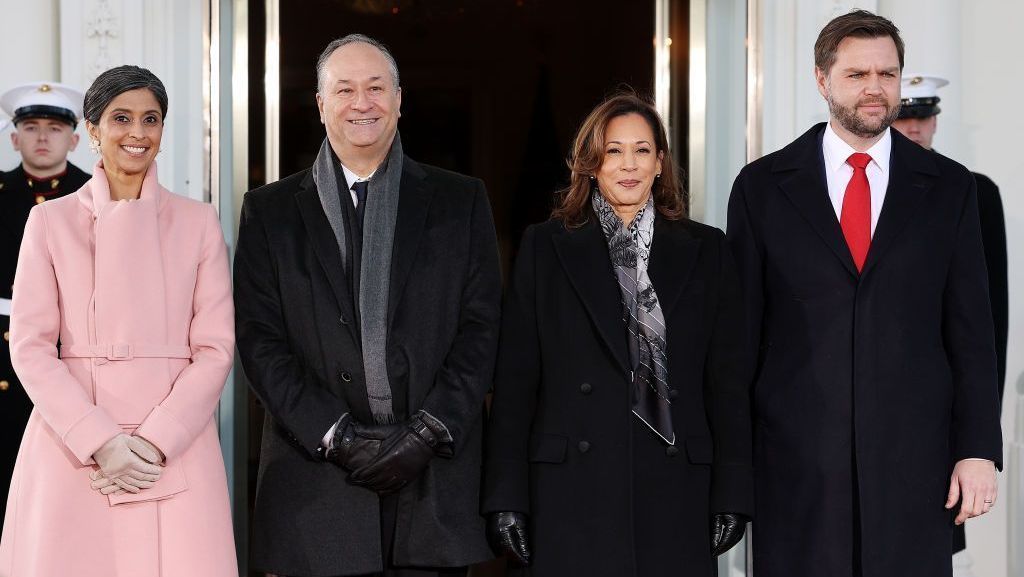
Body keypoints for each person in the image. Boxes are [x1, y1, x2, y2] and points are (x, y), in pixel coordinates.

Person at [726, 10, 1002, 577]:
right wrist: (734, 472)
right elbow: (739, 342)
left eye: (888, 73)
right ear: (822, 80)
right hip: (795, 472)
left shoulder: (950, 188)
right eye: (857, 75)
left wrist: (977, 449)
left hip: (914, 472)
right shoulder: (761, 187)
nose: (875, 88)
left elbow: (973, 332)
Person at [234, 34, 501, 577]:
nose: (363, 103)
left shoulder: (460, 201)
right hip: (317, 487)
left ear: (400, 99)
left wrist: (428, 431)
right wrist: (336, 435)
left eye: (376, 87)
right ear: (321, 103)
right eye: (346, 89)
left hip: (433, 487)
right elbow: (260, 341)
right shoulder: (271, 212)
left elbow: (482, 329)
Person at [482, 91, 753, 577]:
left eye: (642, 150)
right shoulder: (546, 247)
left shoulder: (707, 249)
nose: (628, 165)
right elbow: (516, 383)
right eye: (613, 151)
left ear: (660, 162)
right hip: (569, 491)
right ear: (590, 164)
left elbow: (727, 383)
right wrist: (506, 497)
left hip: (676, 489)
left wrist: (733, 493)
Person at [0, 65, 237, 577]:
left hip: (175, 446)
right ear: (93, 129)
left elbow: (216, 348)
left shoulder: (199, 222)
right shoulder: (49, 221)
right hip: (75, 442)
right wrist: (102, 442)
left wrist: (155, 441)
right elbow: (30, 346)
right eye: (120, 118)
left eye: (150, 119)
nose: (137, 133)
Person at [0, 82, 91, 523]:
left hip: (70, 353)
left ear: (74, 139)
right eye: (30, 127)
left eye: (54, 128)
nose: (41, 137)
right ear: (14, 137)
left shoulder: (95, 196)